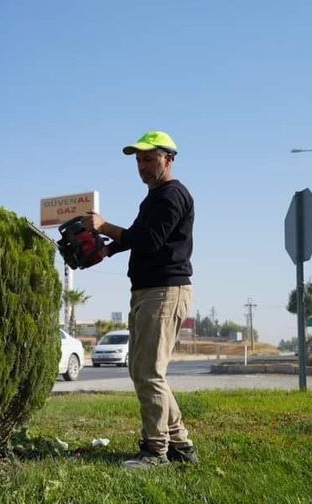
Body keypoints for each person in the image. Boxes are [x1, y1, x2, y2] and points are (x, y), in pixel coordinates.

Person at [82, 130, 196, 469]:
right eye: (138, 161)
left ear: (168, 159)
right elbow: (135, 235)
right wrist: (106, 250)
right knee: (144, 370)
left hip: (165, 290)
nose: (142, 166)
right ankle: (181, 445)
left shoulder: (172, 196)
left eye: (149, 159)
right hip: (148, 290)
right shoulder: (154, 198)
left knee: (148, 372)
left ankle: (155, 451)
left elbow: (148, 240)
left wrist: (104, 227)